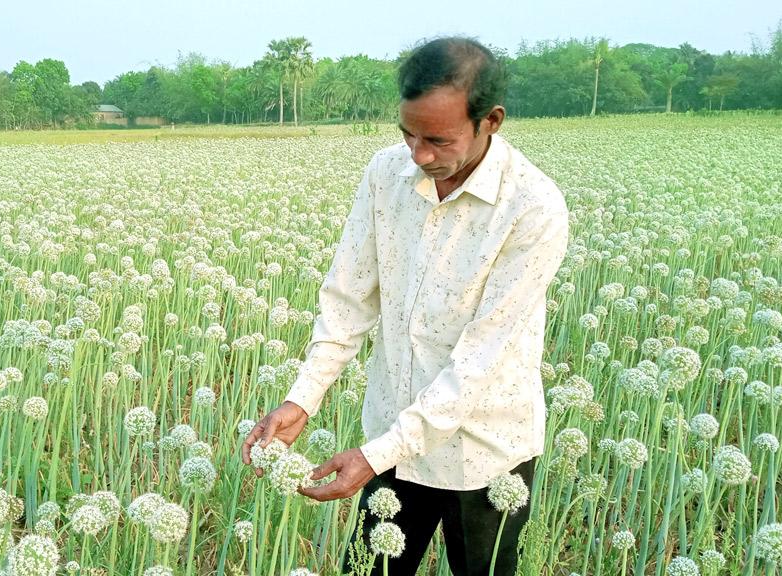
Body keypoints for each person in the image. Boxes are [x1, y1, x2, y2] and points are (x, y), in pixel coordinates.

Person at [240, 36, 570, 576]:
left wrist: (376, 453)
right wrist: (303, 398)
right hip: (392, 431)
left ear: (492, 120)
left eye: (437, 139)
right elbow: (348, 298)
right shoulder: (385, 174)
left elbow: (480, 360)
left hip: (485, 450)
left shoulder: (533, 208)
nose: (418, 155)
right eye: (408, 133)